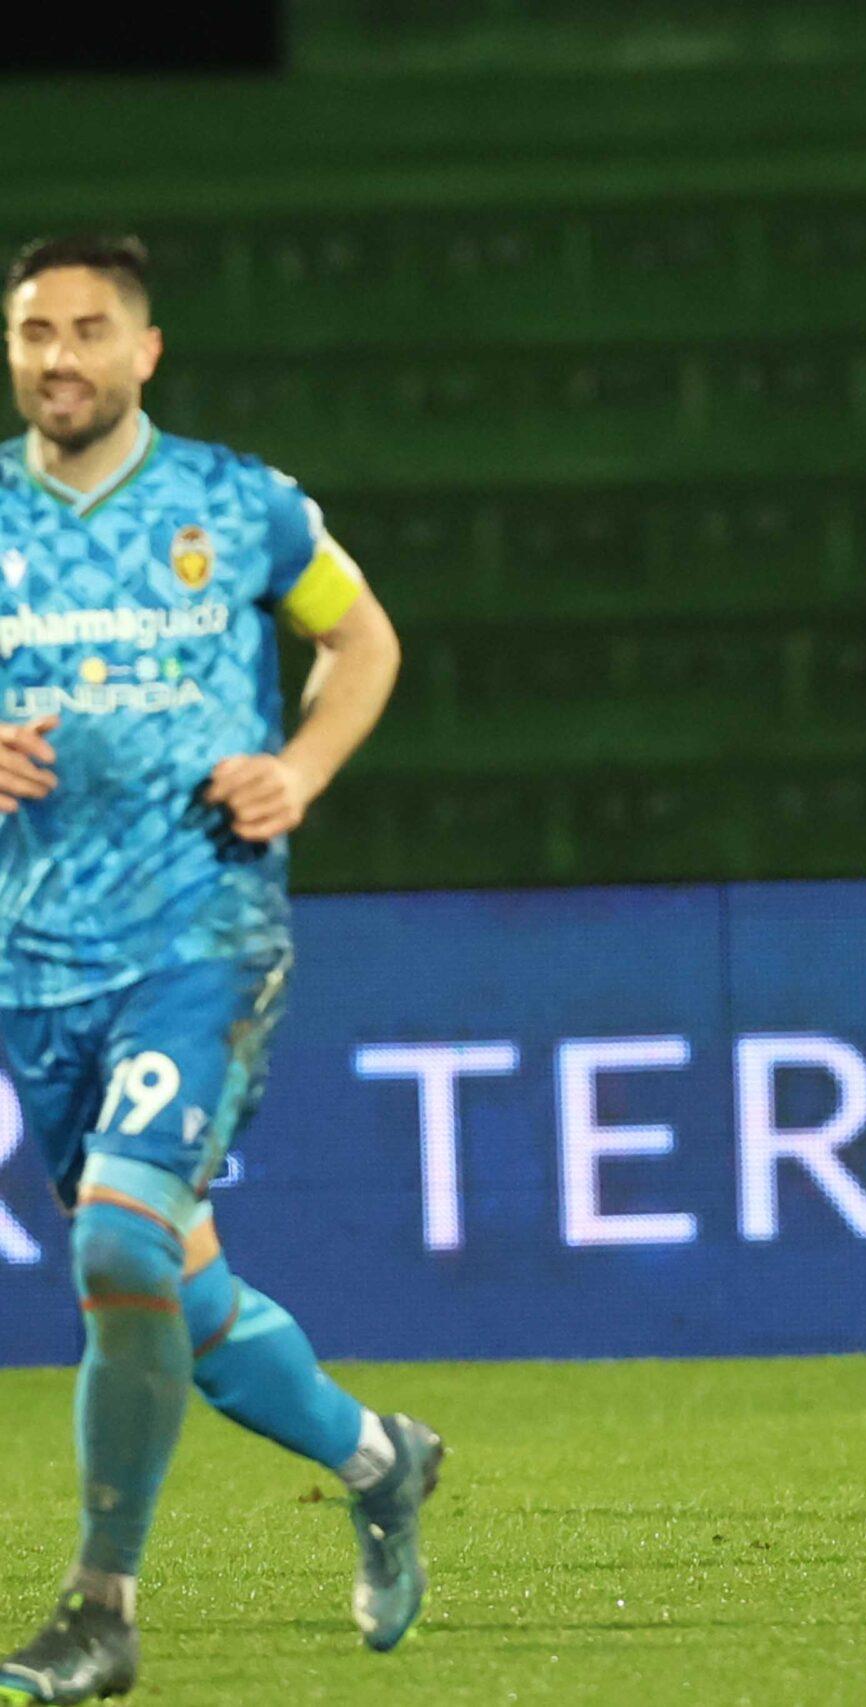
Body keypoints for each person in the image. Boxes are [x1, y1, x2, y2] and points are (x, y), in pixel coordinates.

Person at [0, 234, 437, 1703]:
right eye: (32, 333)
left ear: (145, 351)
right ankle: (381, 1461)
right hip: (35, 961)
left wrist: (301, 769)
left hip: (204, 932)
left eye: (86, 331)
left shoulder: (234, 507)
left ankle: (98, 1609)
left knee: (115, 1246)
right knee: (172, 1292)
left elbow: (362, 642)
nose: (57, 358)